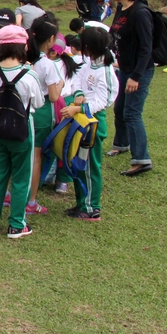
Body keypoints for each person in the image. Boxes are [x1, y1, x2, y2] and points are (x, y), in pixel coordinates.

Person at [0, 25, 44, 240]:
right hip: (22, 132)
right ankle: (16, 224)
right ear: (23, 47)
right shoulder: (29, 75)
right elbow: (39, 102)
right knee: (21, 177)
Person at [61, 28, 119, 221]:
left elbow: (103, 101)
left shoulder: (106, 70)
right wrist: (78, 95)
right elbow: (77, 81)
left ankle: (92, 208)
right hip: (81, 120)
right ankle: (81, 204)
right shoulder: (89, 64)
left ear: (89, 46)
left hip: (93, 122)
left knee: (90, 166)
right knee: (79, 164)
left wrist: (78, 109)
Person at [107, 0, 154, 176]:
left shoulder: (141, 13)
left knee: (132, 113)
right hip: (123, 67)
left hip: (139, 71)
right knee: (120, 108)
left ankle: (142, 159)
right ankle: (121, 144)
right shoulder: (121, 8)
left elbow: (146, 48)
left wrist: (136, 76)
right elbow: (114, 34)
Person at [25, 18, 63, 214]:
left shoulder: (25, 57)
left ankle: (11, 193)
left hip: (24, 109)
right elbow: (55, 96)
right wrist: (62, 83)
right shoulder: (48, 64)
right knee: (36, 157)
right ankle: (31, 201)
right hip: (42, 111)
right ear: (51, 40)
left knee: (22, 153)